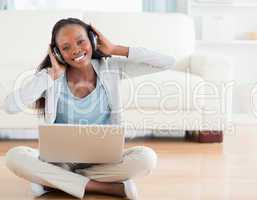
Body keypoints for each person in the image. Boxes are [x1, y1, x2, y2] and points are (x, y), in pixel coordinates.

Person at [4, 18, 175, 199]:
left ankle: (53, 183)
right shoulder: (50, 78)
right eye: (66, 47)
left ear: (93, 40)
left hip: (102, 161)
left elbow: (167, 62)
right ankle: (105, 188)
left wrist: (116, 49)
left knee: (147, 158)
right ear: (57, 52)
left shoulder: (112, 68)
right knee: (15, 157)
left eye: (81, 41)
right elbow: (10, 106)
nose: (76, 50)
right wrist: (51, 76)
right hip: (61, 162)